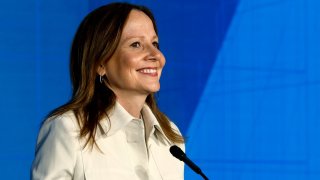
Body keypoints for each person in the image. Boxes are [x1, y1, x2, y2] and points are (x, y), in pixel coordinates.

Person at [31, 2, 185, 180]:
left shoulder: (170, 136)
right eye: (136, 44)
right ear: (100, 63)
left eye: (155, 44)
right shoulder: (68, 128)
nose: (156, 55)